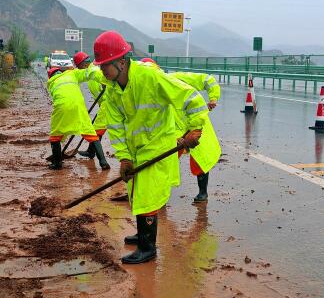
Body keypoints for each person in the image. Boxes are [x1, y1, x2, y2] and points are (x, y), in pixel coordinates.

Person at [94, 31, 208, 264]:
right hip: (136, 149)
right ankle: (142, 234)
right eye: (101, 65)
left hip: (158, 144)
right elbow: (116, 127)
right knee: (136, 190)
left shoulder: (150, 76)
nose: (102, 70)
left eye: (105, 65)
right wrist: (124, 158)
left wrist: (195, 127)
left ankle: (148, 248)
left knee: (147, 194)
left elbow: (190, 97)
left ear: (121, 62)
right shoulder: (113, 89)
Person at [140, 58, 221, 202]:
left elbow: (207, 79)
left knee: (200, 160)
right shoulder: (145, 91)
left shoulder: (176, 78)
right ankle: (157, 194)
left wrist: (213, 98)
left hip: (195, 126)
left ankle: (203, 193)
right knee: (163, 161)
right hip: (173, 133)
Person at [46, 66, 108, 170]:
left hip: (62, 107)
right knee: (91, 134)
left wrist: (65, 133)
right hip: (79, 106)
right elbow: (89, 73)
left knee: (55, 136)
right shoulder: (71, 73)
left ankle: (57, 163)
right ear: (61, 72)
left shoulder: (51, 83)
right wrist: (104, 79)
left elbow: (60, 100)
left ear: (51, 77)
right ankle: (103, 162)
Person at [72, 51, 111, 170]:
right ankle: (91, 151)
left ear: (82, 64)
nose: (78, 69)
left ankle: (100, 159)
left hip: (108, 103)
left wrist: (105, 83)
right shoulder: (91, 71)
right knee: (96, 128)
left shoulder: (92, 72)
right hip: (104, 103)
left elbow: (105, 83)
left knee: (97, 130)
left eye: (78, 67)